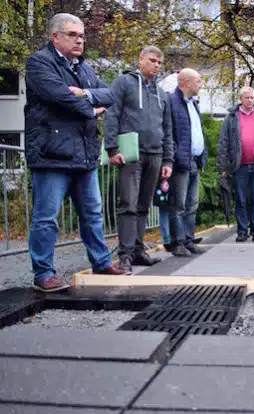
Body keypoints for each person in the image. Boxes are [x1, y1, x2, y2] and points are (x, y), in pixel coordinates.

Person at [24, 13, 126, 292]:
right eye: (72, 34)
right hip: (51, 154)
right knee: (46, 217)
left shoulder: (83, 68)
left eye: (82, 35)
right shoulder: (38, 63)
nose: (80, 39)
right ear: (55, 36)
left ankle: (102, 262)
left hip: (83, 152)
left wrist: (83, 95)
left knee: (93, 212)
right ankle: (43, 273)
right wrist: (88, 104)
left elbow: (109, 95)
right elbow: (59, 97)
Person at [104, 45, 174, 273]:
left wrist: (168, 160)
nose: (156, 65)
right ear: (141, 59)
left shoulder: (161, 93)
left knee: (144, 205)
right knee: (129, 204)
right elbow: (112, 114)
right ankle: (124, 254)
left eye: (160, 62)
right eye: (153, 60)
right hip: (131, 154)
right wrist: (112, 149)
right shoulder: (124, 83)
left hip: (155, 154)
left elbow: (167, 128)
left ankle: (137, 250)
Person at [216, 86, 254, 243]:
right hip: (239, 165)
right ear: (241, 99)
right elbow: (223, 143)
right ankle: (242, 231)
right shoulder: (231, 118)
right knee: (241, 200)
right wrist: (222, 166)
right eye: (247, 98)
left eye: (252, 97)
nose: (251, 100)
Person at [164, 68, 207, 256]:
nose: (201, 84)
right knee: (178, 204)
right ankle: (178, 242)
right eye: (198, 81)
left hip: (195, 161)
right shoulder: (172, 102)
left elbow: (197, 130)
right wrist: (175, 155)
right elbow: (168, 132)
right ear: (187, 82)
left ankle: (189, 240)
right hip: (181, 162)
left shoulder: (193, 103)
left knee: (192, 204)